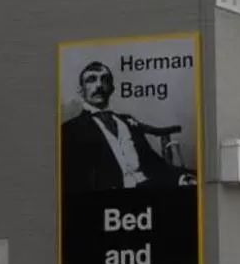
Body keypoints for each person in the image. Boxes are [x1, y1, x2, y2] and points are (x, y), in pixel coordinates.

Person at [60, 61, 183, 194]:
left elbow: (154, 163)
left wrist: (181, 178)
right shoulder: (70, 130)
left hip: (149, 186)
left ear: (112, 88)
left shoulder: (127, 121)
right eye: (91, 80)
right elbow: (73, 181)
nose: (99, 85)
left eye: (105, 80)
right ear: (81, 90)